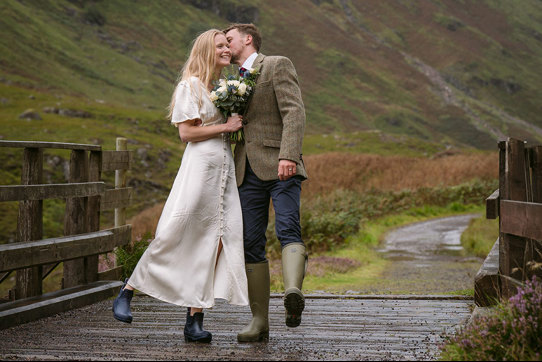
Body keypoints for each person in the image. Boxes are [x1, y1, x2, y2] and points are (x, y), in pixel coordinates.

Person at [112, 29, 249, 343]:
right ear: (205, 51)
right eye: (220, 46)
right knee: (176, 229)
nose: (227, 50)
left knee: (216, 239)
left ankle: (194, 319)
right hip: (200, 168)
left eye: (228, 45)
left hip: (223, 171)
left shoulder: (221, 87)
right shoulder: (191, 86)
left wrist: (234, 126)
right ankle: (128, 291)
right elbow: (186, 134)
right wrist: (226, 126)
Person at [224, 23, 309, 342]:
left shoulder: (276, 64)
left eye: (229, 39)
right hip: (245, 169)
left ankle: (292, 294)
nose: (225, 45)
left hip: (281, 165)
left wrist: (289, 155)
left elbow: (294, 112)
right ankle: (259, 321)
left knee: (288, 228)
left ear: (248, 39)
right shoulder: (230, 80)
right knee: (249, 242)